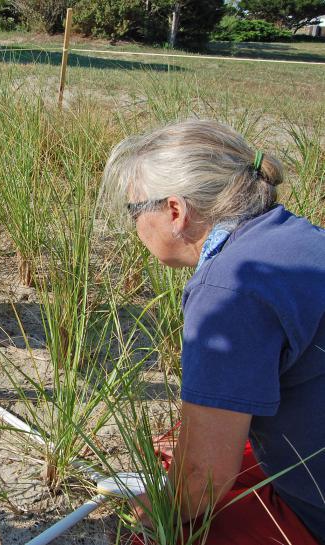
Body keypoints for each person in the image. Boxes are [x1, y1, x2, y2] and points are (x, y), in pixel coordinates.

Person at [102, 119, 325, 544]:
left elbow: (203, 478)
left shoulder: (227, 289)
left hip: (314, 513)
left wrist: (157, 508)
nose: (135, 227)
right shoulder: (297, 235)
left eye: (135, 211)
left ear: (174, 211)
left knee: (170, 528)